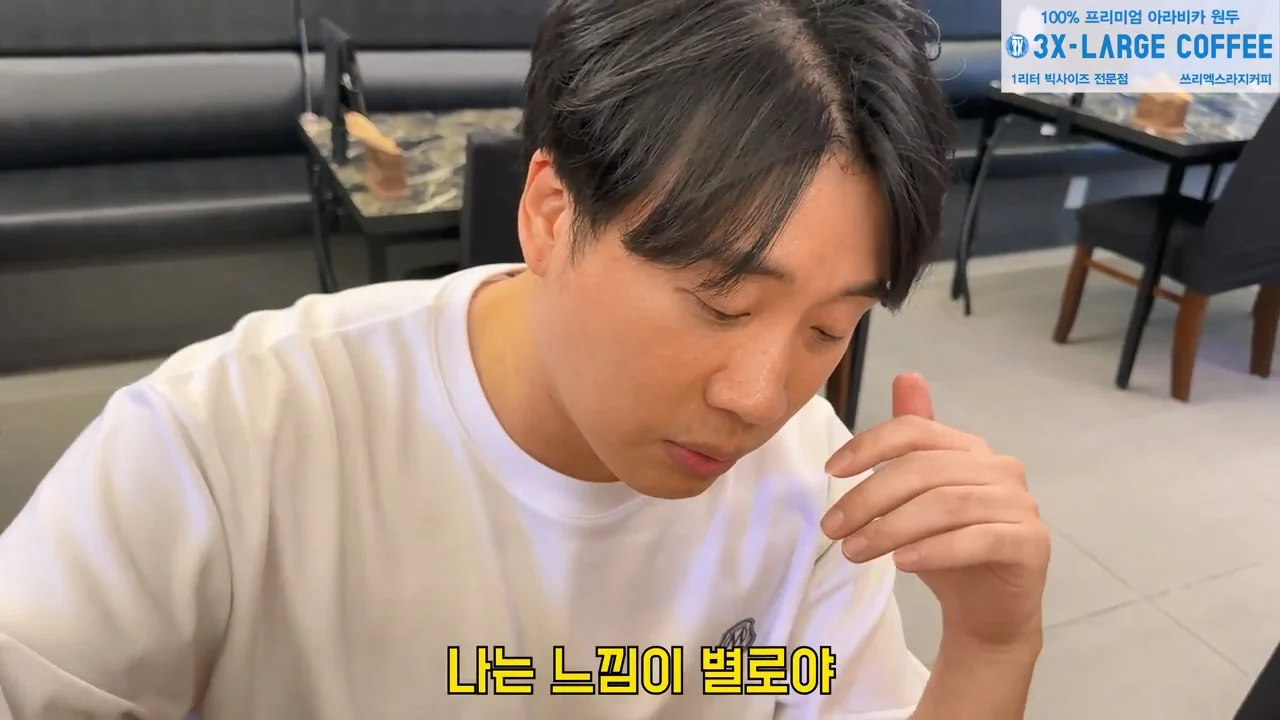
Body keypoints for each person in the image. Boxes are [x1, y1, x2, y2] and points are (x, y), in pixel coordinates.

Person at [0, 0, 1050, 717]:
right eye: (720, 302)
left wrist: (990, 647)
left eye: (828, 329)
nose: (759, 397)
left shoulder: (814, 488)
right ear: (550, 212)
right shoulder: (226, 439)